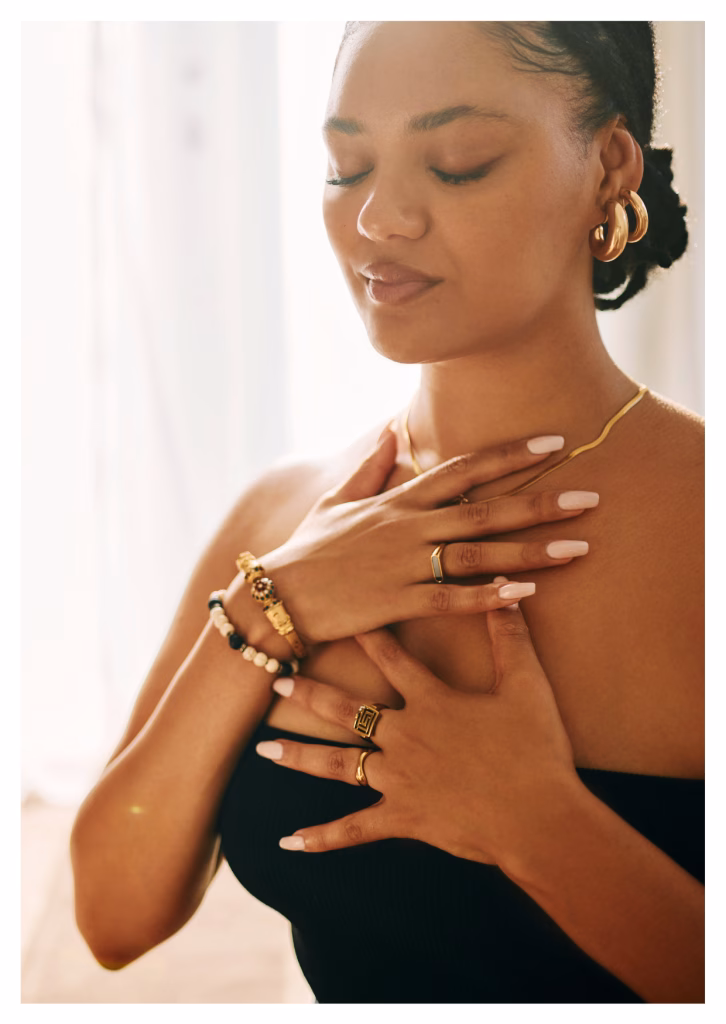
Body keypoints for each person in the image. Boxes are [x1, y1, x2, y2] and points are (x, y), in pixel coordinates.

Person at [70, 21, 704, 1004]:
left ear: (609, 164)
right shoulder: (282, 518)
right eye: (346, 166)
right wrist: (269, 610)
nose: (378, 218)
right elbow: (113, 916)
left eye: (458, 163)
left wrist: (538, 824)